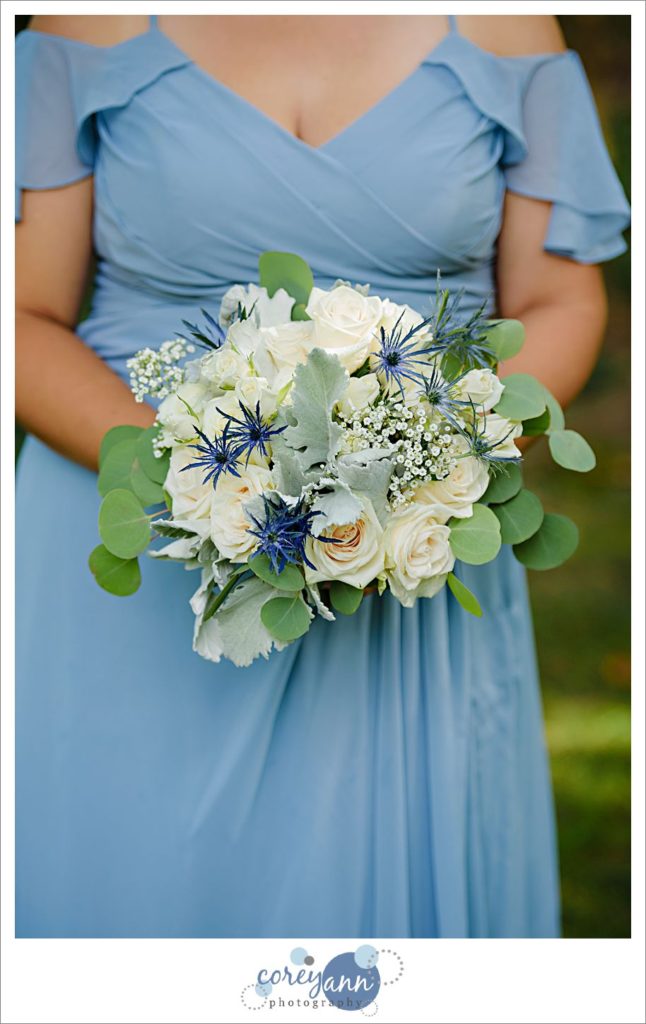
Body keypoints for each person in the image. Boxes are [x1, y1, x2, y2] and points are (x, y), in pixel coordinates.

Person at [15, 13, 630, 937]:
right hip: (134, 523)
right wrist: (203, 478)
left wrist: (427, 462)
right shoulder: (86, 24)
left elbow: (560, 299)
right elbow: (21, 314)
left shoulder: (509, 28)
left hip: (408, 554)